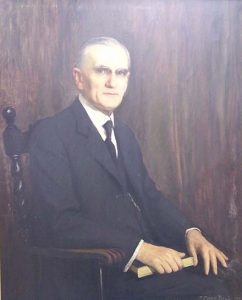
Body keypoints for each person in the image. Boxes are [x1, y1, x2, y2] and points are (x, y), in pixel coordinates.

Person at [29, 37, 231, 299]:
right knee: (211, 291)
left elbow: (149, 195)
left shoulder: (124, 134)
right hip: (96, 274)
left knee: (229, 276)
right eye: (102, 71)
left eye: (121, 73)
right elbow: (60, 222)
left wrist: (190, 232)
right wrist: (138, 249)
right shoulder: (51, 134)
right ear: (78, 78)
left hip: (144, 266)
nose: (113, 82)